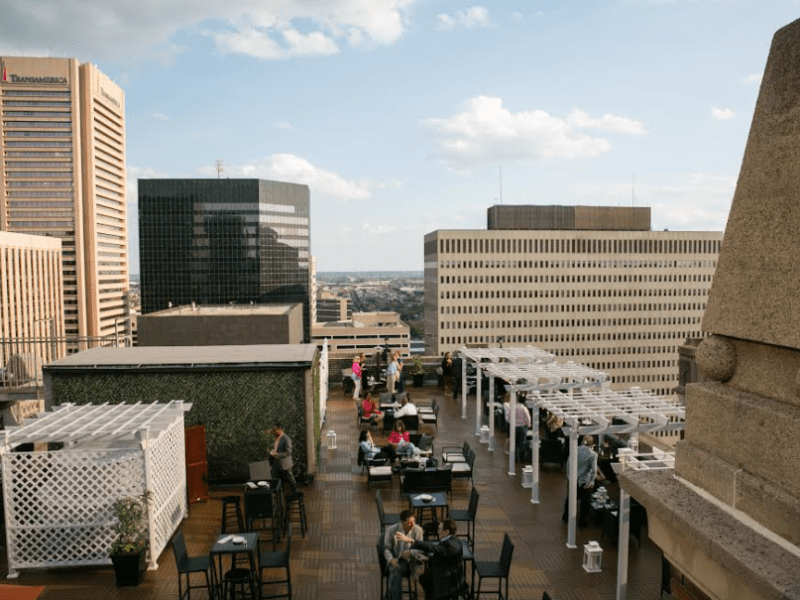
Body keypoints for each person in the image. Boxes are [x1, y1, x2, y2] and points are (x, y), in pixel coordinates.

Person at [396, 518, 464, 600]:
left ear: (446, 532)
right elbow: (443, 555)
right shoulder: (452, 540)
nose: (437, 531)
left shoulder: (451, 545)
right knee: (424, 579)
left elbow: (433, 548)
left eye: (439, 529)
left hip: (449, 579)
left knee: (426, 580)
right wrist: (427, 558)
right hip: (445, 571)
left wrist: (411, 540)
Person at [382, 510, 424, 600]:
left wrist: (411, 552)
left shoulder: (418, 530)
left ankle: (389, 597)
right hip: (395, 559)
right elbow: (386, 549)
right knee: (394, 570)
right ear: (402, 522)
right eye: (409, 522)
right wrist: (391, 559)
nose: (412, 524)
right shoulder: (392, 530)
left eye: (413, 521)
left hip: (410, 563)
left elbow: (421, 548)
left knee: (394, 573)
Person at [562, 435, 598, 527]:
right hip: (585, 481)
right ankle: (582, 521)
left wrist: (569, 477)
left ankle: (566, 516)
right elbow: (593, 470)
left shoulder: (575, 450)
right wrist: (591, 482)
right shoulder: (593, 454)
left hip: (574, 479)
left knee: (571, 498)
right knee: (585, 502)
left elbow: (569, 463)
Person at [270, 423, 297, 497]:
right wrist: (273, 451)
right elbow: (276, 448)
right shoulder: (276, 438)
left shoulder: (286, 439)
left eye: (275, 430)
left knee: (290, 479)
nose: (274, 432)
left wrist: (278, 455)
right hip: (276, 463)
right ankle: (278, 495)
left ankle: (294, 493)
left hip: (285, 464)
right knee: (276, 479)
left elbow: (288, 452)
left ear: (280, 430)